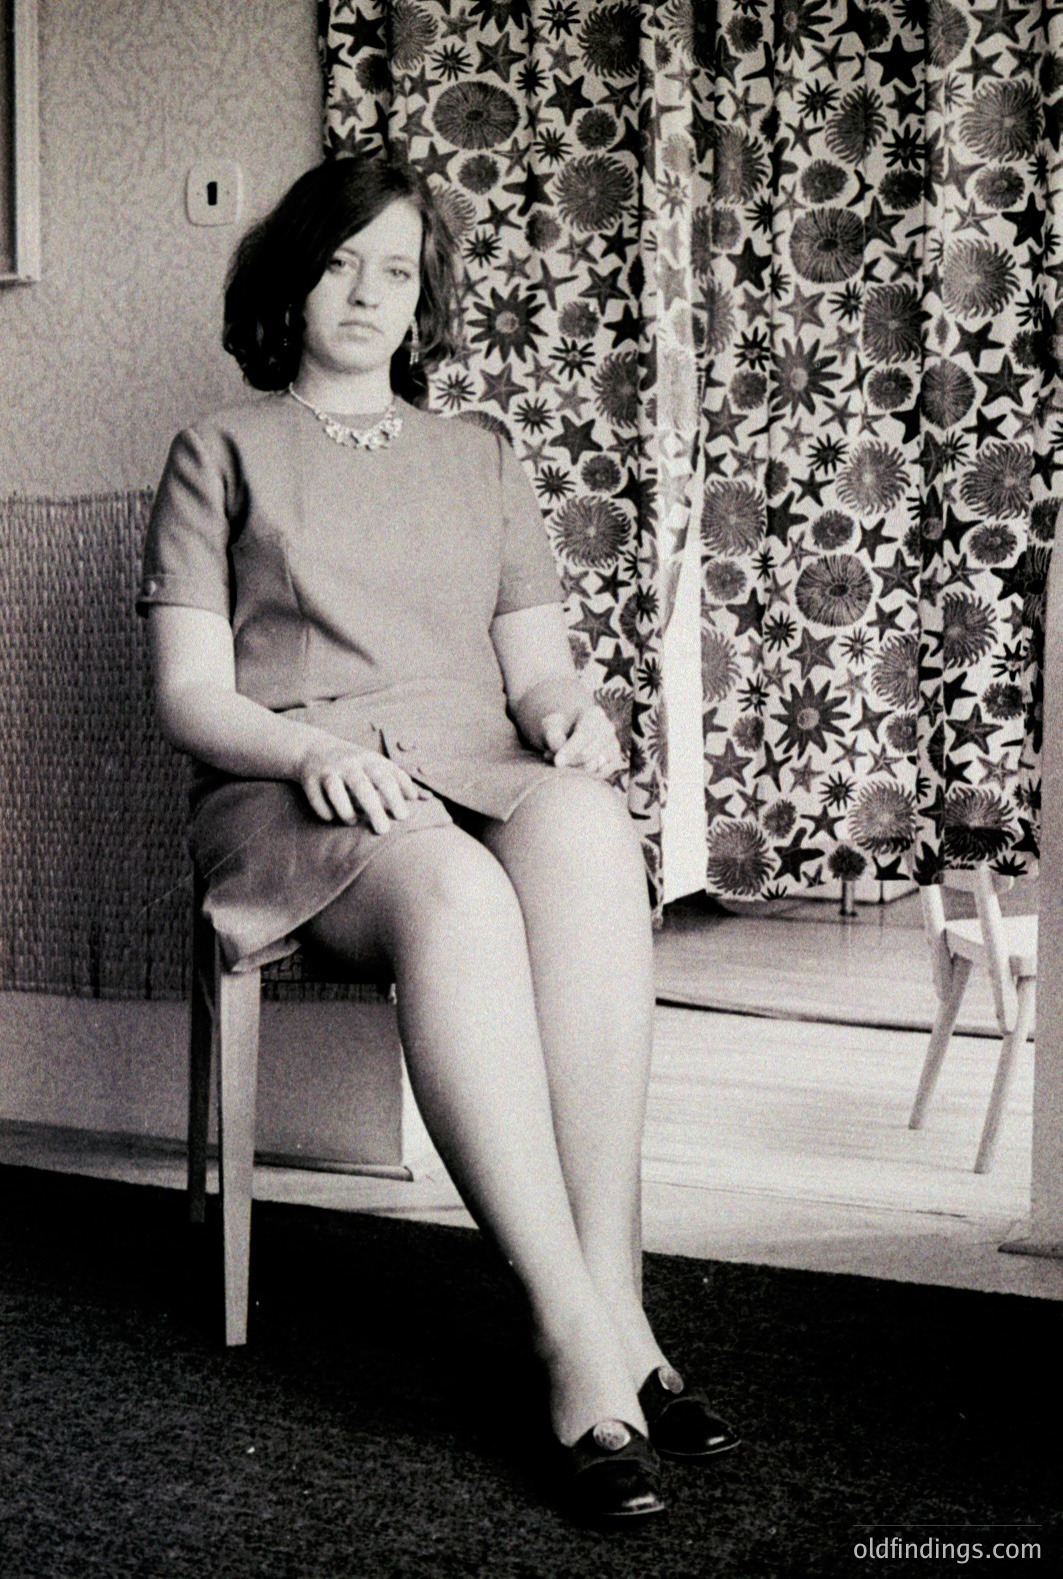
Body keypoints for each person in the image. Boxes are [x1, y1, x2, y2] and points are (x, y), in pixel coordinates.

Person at [139, 153, 738, 1522]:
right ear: (288, 281)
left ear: (427, 299)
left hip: (471, 766)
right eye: (340, 261)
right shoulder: (218, 449)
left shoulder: (481, 456)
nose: (365, 292)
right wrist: (316, 753)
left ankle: (622, 1306)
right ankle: (568, 1336)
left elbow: (536, 675)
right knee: (459, 897)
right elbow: (191, 697)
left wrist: (574, 717)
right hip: (296, 785)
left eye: (395, 269)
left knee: (589, 825)